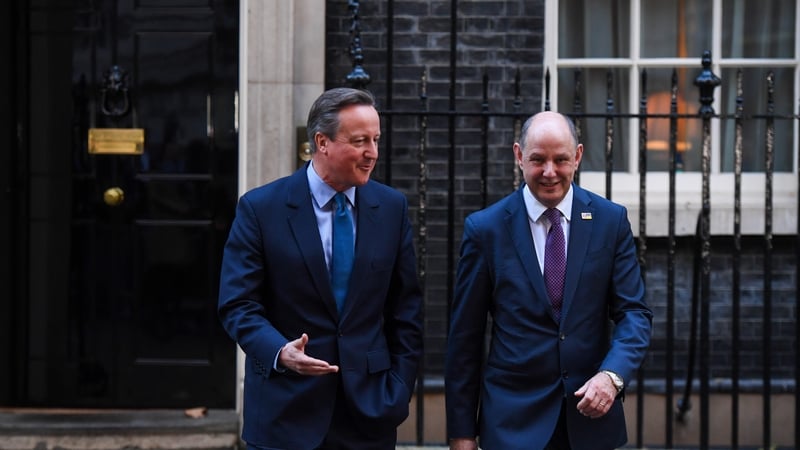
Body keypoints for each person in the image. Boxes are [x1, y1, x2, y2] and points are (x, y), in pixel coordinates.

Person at [218, 87, 424, 450]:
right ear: (322, 142)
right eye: (360, 141)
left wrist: (400, 387)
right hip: (285, 412)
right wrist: (280, 351)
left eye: (376, 140)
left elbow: (405, 309)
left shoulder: (392, 208)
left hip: (370, 413)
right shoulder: (261, 208)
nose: (372, 153)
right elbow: (238, 305)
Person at [445, 111, 653, 450]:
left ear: (579, 156)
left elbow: (634, 313)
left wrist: (612, 377)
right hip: (512, 425)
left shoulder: (610, 221)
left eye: (561, 160)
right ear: (518, 155)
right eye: (538, 160)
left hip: (590, 420)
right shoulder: (486, 229)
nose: (550, 172)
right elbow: (464, 340)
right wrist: (462, 433)